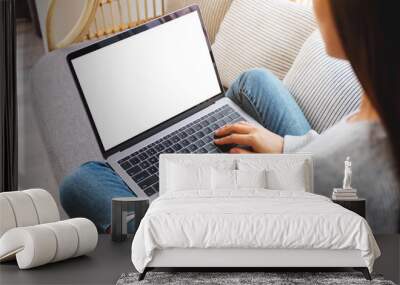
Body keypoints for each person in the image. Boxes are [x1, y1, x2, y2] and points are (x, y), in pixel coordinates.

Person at [60, 0, 400, 233]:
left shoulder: (344, 163)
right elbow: (333, 163)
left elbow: (246, 225)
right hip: (302, 173)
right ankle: (208, 119)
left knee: (81, 182)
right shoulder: (380, 101)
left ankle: (140, 230)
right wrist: (286, 147)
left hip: (239, 216)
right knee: (255, 82)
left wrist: (217, 177)